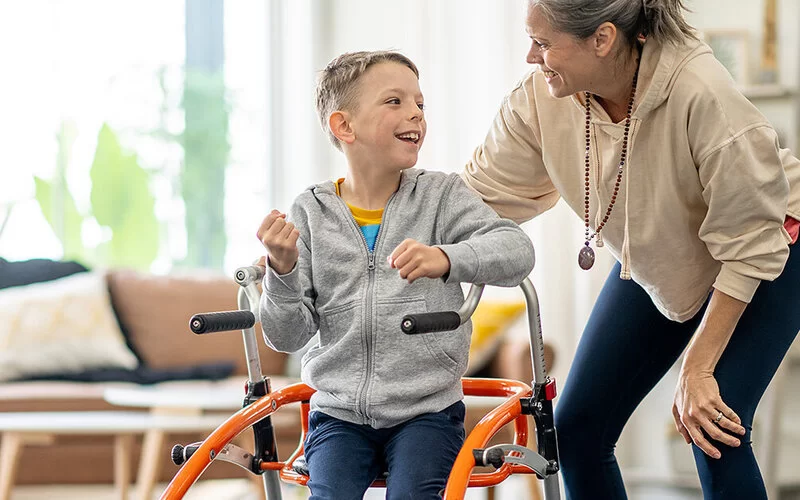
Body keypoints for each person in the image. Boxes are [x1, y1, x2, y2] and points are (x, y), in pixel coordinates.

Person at [461, 1, 800, 499]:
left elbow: (750, 241)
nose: (531, 57)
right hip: (664, 250)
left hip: (770, 246)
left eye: (544, 42)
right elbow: (475, 197)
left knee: (713, 424)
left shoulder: (701, 92)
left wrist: (699, 368)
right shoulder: (542, 97)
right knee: (577, 427)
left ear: (602, 39)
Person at [256, 50, 535, 500]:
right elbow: (285, 336)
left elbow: (517, 251)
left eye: (419, 104)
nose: (415, 114)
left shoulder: (441, 197)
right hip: (339, 414)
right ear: (344, 126)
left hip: (427, 412)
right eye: (394, 101)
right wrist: (282, 270)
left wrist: (447, 257)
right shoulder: (310, 212)